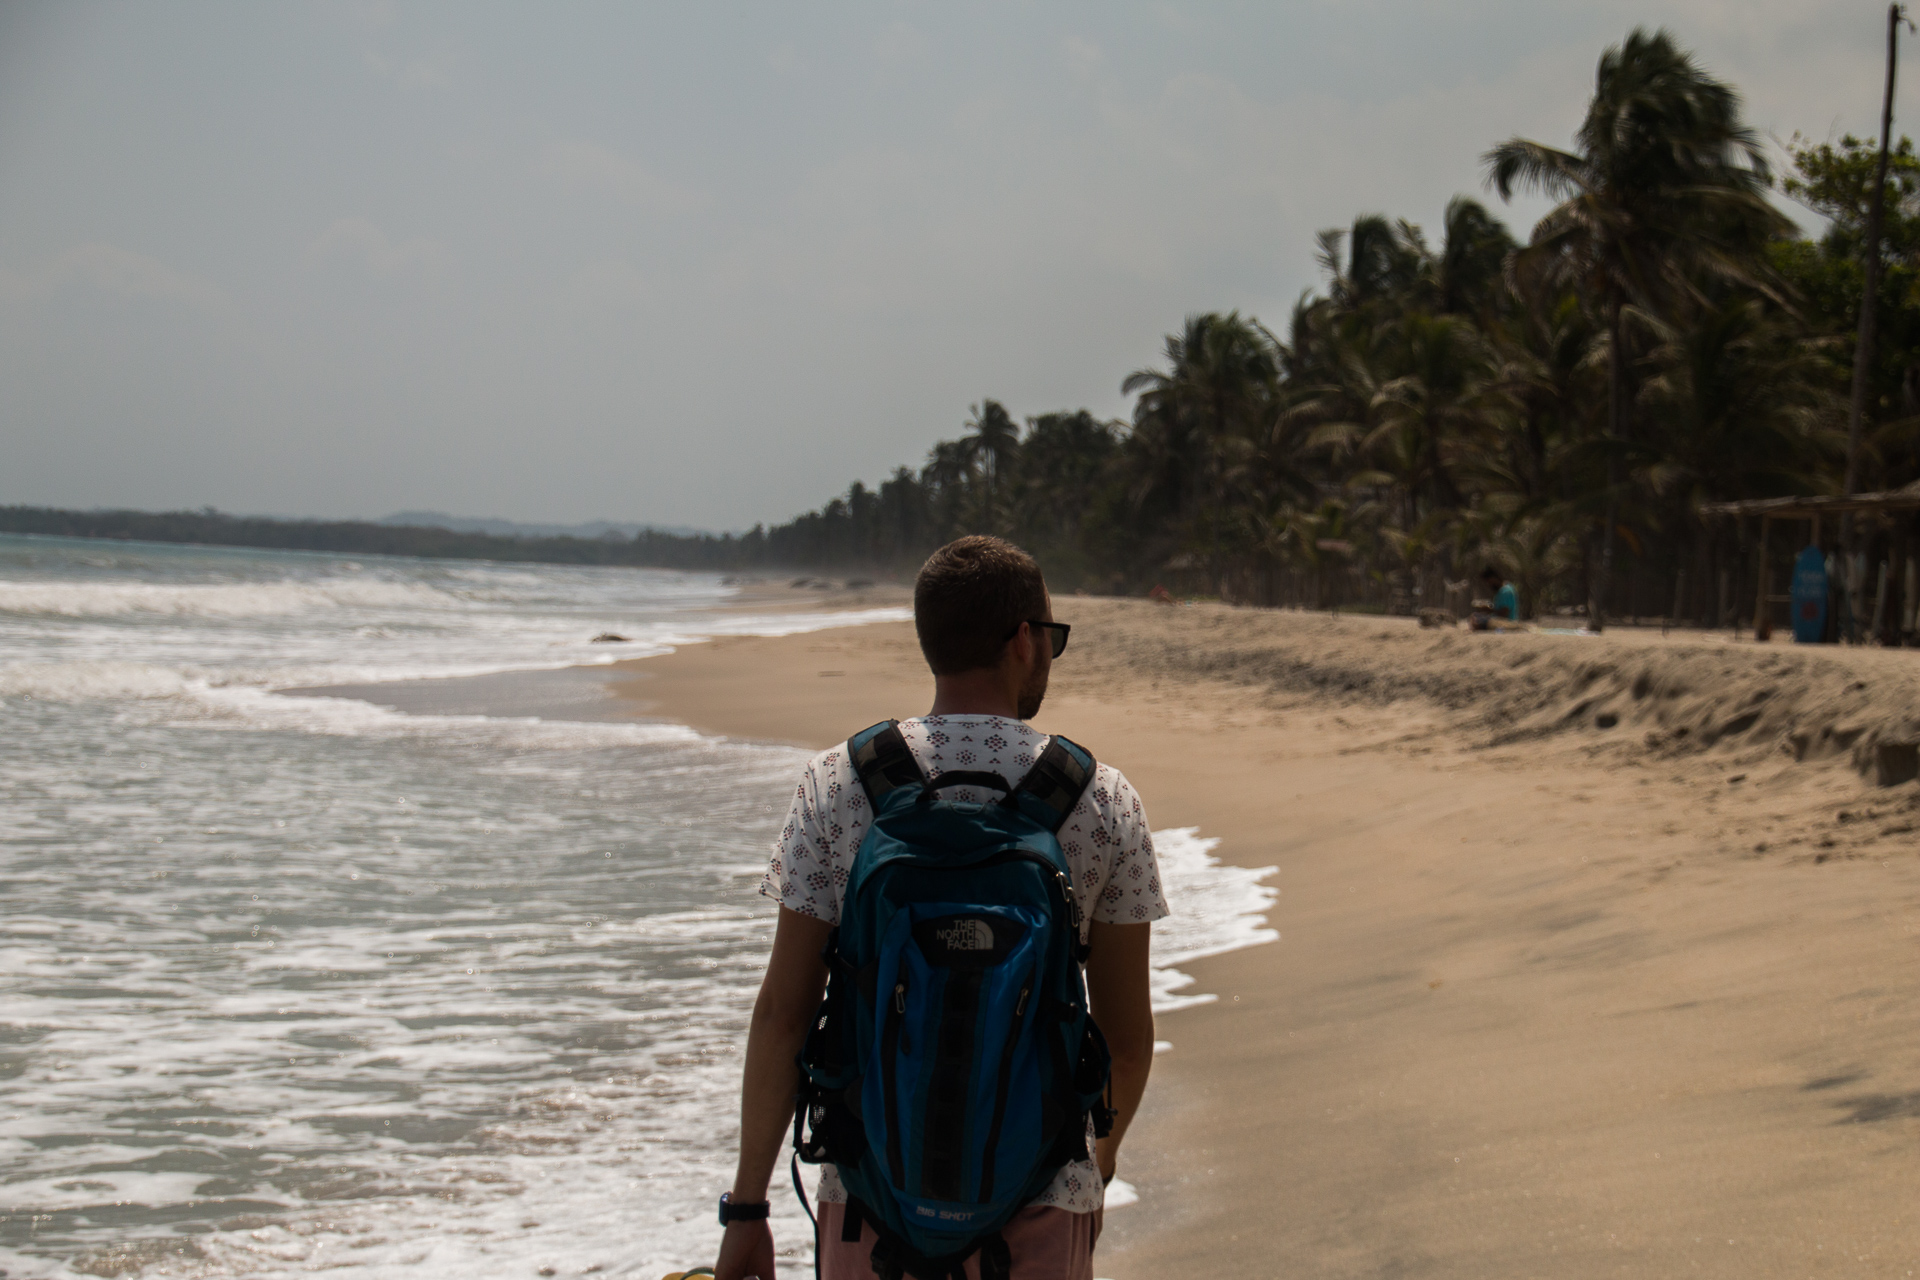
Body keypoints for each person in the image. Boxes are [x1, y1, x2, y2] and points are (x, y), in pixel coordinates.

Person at [714, 536, 1166, 1280]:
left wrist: (748, 1212)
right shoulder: (1101, 800)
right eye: (1050, 637)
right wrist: (1096, 1169)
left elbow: (783, 1015)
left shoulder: (838, 783)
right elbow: (1126, 1040)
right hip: (1044, 1201)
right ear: (1023, 641)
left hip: (868, 1202)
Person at [1469, 565, 1519, 630]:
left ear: (1493, 578)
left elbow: (1504, 614)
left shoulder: (1506, 591)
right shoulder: (1502, 590)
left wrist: (1489, 610)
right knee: (1475, 616)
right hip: (1499, 619)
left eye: (1489, 582)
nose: (1488, 585)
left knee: (1477, 621)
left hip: (1506, 622)